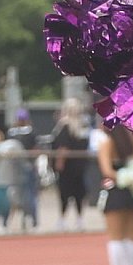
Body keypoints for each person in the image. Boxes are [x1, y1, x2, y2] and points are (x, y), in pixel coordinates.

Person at [96, 120, 133, 265]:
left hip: (116, 192)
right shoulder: (132, 142)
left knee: (116, 237)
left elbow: (107, 171)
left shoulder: (106, 144)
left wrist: (123, 178)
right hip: (131, 192)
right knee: (132, 235)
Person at [51, 98, 92, 228]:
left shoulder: (65, 126)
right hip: (80, 166)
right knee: (77, 192)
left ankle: (64, 219)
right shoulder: (83, 126)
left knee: (66, 192)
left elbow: (63, 147)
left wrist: (59, 163)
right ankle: (78, 219)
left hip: (69, 167)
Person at [7, 108, 40, 229]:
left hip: (23, 167)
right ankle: (28, 219)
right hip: (19, 167)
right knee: (22, 194)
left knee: (28, 194)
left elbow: (35, 150)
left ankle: (31, 219)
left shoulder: (26, 132)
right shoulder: (15, 132)